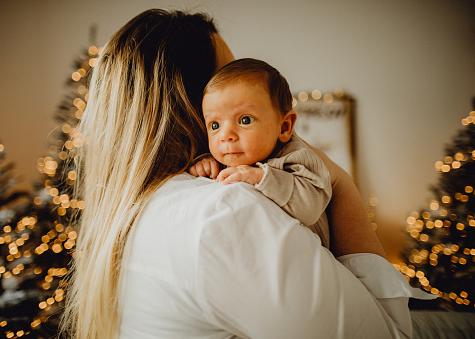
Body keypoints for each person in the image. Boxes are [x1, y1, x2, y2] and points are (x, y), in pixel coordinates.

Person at [60, 8, 435, 339]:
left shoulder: (140, 207)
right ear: (194, 109)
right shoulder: (223, 213)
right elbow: (390, 334)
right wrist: (340, 182)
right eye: (227, 80)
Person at [189, 58, 331, 248]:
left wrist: (261, 177)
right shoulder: (229, 157)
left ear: (284, 126)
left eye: (245, 120)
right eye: (215, 125)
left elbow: (311, 208)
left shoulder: (295, 156)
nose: (225, 135)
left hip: (307, 252)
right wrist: (205, 163)